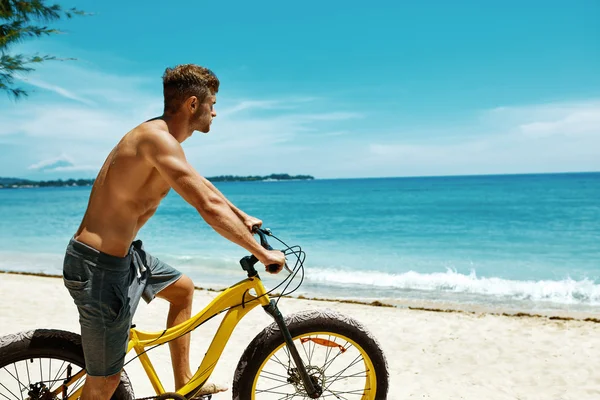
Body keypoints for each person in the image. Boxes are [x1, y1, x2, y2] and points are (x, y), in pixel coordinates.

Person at [62, 64, 286, 400]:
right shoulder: (155, 140)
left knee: (182, 290)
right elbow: (207, 207)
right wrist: (262, 253)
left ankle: (185, 384)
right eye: (212, 103)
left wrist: (242, 215)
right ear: (193, 104)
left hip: (125, 257)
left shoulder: (163, 140)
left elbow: (202, 185)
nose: (215, 111)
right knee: (105, 383)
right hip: (98, 268)